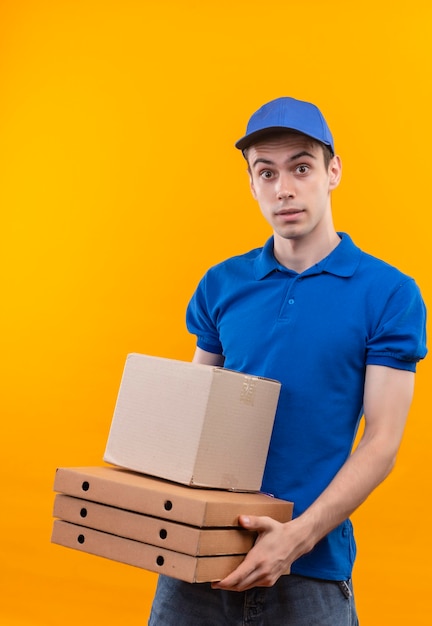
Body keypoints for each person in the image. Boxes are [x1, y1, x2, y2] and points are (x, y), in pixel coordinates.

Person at [148, 97, 427, 625]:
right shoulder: (222, 284)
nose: (285, 188)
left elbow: (382, 442)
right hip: (198, 567)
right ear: (252, 184)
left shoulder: (389, 294)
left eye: (301, 167)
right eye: (267, 172)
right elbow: (192, 422)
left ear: (333, 171)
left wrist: (293, 541)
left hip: (310, 574)